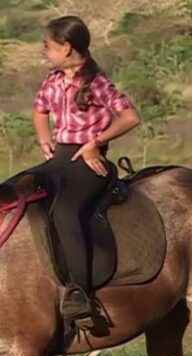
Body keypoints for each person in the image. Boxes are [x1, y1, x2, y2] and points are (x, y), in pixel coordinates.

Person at [31, 16, 141, 323]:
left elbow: (130, 117)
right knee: (19, 192)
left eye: (48, 46)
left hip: (89, 158)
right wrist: (43, 137)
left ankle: (80, 291)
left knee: (65, 211)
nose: (44, 52)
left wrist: (97, 141)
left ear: (66, 48)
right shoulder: (52, 79)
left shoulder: (97, 82)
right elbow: (39, 110)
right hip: (60, 157)